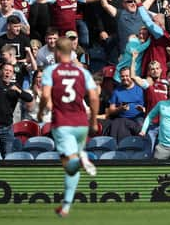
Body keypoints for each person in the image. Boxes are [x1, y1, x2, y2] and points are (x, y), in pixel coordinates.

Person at [37, 37, 100, 218]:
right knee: (72, 167)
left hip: (63, 123)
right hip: (81, 123)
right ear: (72, 52)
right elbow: (94, 98)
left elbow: (45, 96)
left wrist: (41, 112)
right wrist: (94, 121)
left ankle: (80, 159)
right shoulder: (82, 72)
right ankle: (65, 206)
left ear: (57, 52)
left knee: (69, 164)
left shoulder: (51, 71)